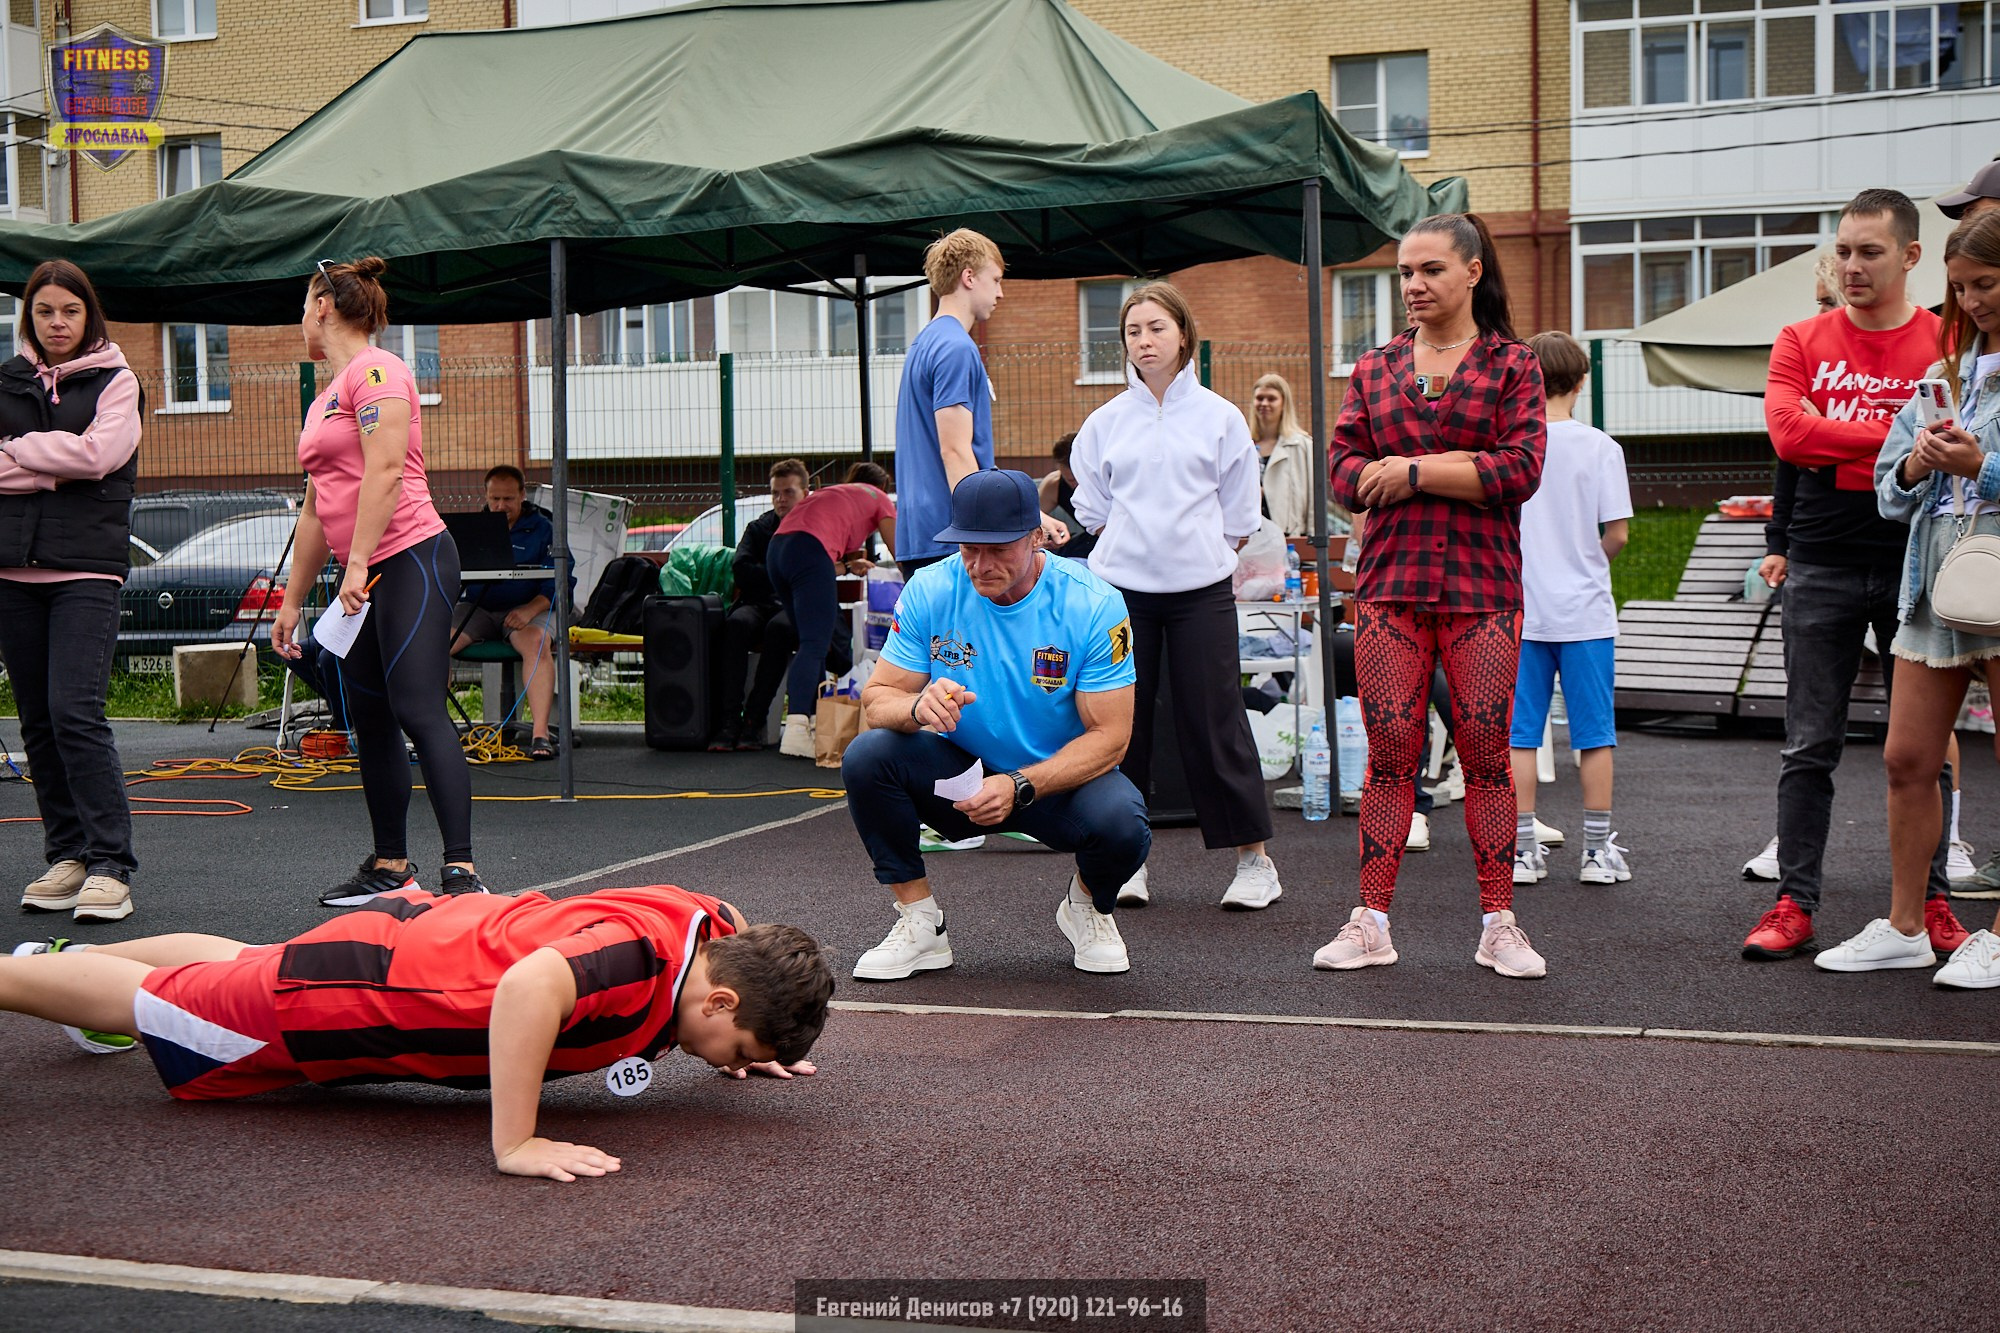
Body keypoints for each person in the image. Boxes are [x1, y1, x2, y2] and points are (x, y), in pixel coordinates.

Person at [1, 883, 833, 1179]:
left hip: (406, 938)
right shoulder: (640, 961)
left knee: (237, 964)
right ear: (720, 1001)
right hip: (354, 993)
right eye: (735, 1048)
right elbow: (528, 985)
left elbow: (745, 939)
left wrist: (748, 1043)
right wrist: (517, 1140)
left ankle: (63, 960)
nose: (724, 1061)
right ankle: (32, 975)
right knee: (161, 1005)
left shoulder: (713, 928)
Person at [1314, 212, 1549, 978]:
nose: (1414, 285)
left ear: (1473, 271)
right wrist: (1443, 470)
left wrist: (1411, 469)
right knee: (1390, 759)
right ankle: (1370, 920)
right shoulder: (1376, 367)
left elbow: (1518, 469)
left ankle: (1499, 923)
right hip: (1389, 588)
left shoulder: (1515, 365)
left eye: (1431, 270)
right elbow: (1346, 470)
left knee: (1485, 758)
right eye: (1405, 272)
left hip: (1482, 590)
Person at [1741, 190, 1971, 962]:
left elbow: (1954, 442)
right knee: (1809, 745)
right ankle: (1795, 903)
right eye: (1842, 250)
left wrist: (1838, 438)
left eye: (1869, 251)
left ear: (1910, 257)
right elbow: (1787, 433)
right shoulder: (1800, 336)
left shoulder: (1948, 342)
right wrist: (1899, 436)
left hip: (1917, 564)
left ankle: (1930, 905)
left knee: (1923, 752)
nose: (1850, 266)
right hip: (1820, 561)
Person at [842, 469, 1147, 977]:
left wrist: (1020, 784)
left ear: (1035, 536)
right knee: (869, 756)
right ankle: (920, 923)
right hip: (963, 777)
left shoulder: (1094, 603)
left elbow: (1112, 739)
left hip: (1055, 783)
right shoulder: (931, 589)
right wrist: (917, 708)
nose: (980, 565)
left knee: (1124, 824)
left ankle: (1088, 906)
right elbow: (877, 701)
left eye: (998, 548)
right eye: (968, 548)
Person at [270, 257, 487, 908]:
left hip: (413, 557)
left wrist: (359, 562)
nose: (300, 319)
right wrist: (290, 601)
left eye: (303, 305)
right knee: (370, 714)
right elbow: (315, 507)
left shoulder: (377, 370)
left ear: (323, 307)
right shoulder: (324, 396)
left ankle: (462, 874)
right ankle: (391, 865)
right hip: (363, 570)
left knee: (418, 706)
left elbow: (387, 472)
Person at [1069, 282, 1282, 911]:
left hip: (1200, 595)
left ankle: (1254, 863)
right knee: (1120, 729)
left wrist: (1190, 553)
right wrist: (1138, 549)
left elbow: (1240, 516)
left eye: (1157, 328)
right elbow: (1092, 508)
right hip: (1122, 595)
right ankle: (1125, 860)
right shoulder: (1104, 422)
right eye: (1134, 331)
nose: (1145, 340)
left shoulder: (1221, 417)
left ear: (1183, 335)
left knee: (1215, 721)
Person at [1854, 208, 2000, 987]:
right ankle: (1907, 925)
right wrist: (1916, 464)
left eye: (1987, 283)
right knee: (1906, 757)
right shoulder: (1942, 376)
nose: (1972, 301)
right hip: (1935, 587)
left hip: (1999, 583)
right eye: (1960, 288)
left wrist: (1984, 465)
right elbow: (1887, 491)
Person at [0, 261, 143, 924]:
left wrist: (20, 451)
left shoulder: (117, 381)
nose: (57, 323)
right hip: (11, 571)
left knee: (74, 711)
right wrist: (57, 462)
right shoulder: (5, 381)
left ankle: (111, 863)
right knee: (36, 720)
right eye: (45, 311)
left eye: (70, 311)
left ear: (90, 316)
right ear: (29, 316)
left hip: (86, 570)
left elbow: (99, 458)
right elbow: (78, 458)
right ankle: (69, 854)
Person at [1510, 332, 1632, 887]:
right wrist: (1587, 558)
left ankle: (1523, 849)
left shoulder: (1513, 447)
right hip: (1585, 613)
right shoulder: (1602, 447)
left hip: (1522, 611)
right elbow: (1618, 536)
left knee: (1521, 735)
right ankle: (1596, 850)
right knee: (1594, 734)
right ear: (1581, 383)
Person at [768, 462, 896, 758]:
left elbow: (822, 557)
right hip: (808, 552)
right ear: (883, 486)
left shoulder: (836, 493)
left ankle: (813, 722)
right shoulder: (879, 498)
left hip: (778, 552)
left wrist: (850, 564)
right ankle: (797, 730)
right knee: (815, 645)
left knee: (810, 644)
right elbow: (898, 550)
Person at [450, 465, 562, 760]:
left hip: (528, 608)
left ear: (523, 496)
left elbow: (562, 580)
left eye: (508, 499)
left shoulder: (545, 529)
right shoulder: (472, 529)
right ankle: (439, 731)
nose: (501, 506)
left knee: (537, 644)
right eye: (495, 499)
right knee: (436, 642)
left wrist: (529, 610)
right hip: (479, 608)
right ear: (485, 497)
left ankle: (540, 735)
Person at [708, 458, 810, 751]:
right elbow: (741, 568)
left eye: (788, 492)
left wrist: (769, 574)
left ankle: (754, 721)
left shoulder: (812, 528)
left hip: (791, 608)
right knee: (736, 625)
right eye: (775, 493)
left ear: (805, 491)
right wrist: (781, 575)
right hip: (757, 602)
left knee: (780, 630)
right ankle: (728, 721)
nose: (780, 499)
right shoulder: (759, 528)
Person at [1248, 372, 1315, 538]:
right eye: (1259, 398)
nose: (1264, 403)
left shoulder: (1301, 445)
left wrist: (1313, 535)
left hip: (1288, 535)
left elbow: (1313, 495)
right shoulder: (1244, 444)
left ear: (1284, 403)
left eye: (1271, 398)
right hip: (1250, 534)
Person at [1035, 433, 1097, 561]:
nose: (1076, 486)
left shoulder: (1108, 481)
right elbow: (1032, 516)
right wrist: (1045, 536)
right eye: (1070, 480)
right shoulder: (1054, 484)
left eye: (1081, 479)